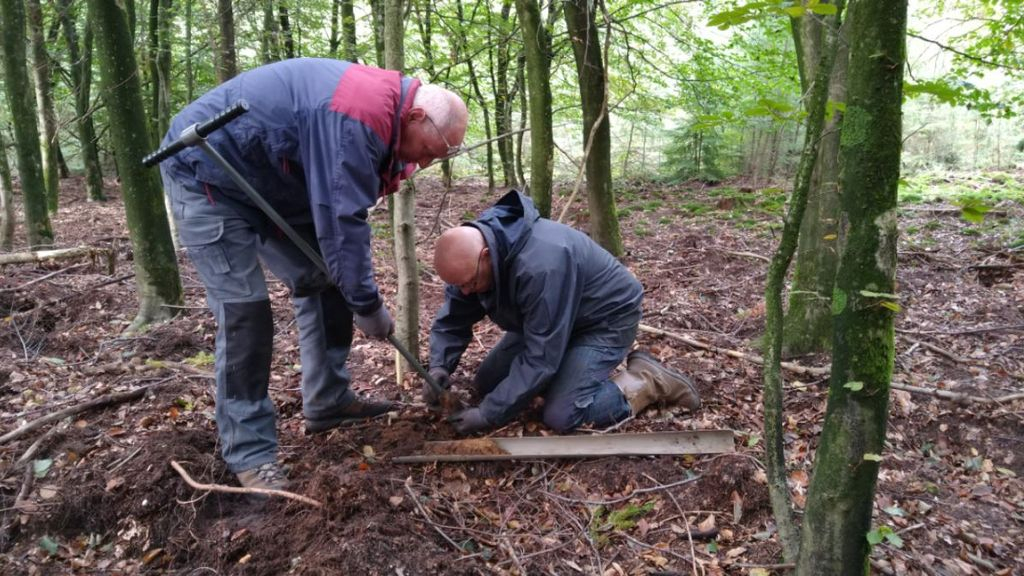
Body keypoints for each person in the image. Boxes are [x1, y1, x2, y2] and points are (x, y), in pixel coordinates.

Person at [159, 58, 468, 490]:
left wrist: (355, 292)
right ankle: (250, 452)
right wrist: (368, 305)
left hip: (272, 181)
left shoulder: (387, 117)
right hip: (207, 172)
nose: (426, 163)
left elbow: (347, 206)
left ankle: (328, 401)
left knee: (326, 281)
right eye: (428, 152)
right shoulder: (355, 117)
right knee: (245, 313)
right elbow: (341, 221)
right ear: (415, 116)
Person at [425, 190, 701, 435]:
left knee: (563, 415)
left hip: (604, 319)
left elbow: (541, 357)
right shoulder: (472, 264)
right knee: (487, 384)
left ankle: (647, 380)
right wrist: (439, 365)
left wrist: (487, 415)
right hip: (551, 319)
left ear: (486, 255)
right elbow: (453, 318)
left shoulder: (542, 265)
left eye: (469, 283)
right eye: (458, 285)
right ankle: (568, 374)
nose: (465, 291)